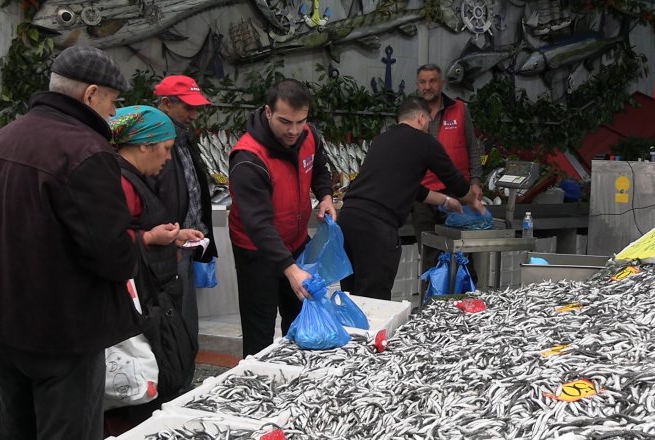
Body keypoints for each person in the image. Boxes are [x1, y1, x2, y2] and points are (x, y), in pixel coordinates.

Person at [0, 46, 140, 440]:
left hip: (6, 324)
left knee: (16, 428)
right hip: (64, 332)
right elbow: (112, 253)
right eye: (112, 101)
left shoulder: (0, 140)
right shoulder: (86, 151)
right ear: (91, 95)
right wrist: (136, 247)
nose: (113, 113)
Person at [104, 106, 203, 433]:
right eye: (165, 149)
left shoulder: (135, 177)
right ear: (144, 145)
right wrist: (149, 237)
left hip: (151, 296)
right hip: (136, 305)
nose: (169, 158)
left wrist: (173, 239)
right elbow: (108, 241)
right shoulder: (119, 181)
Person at [339, 98, 486, 300]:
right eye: (429, 123)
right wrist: (473, 201)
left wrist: (445, 201)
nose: (428, 128)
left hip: (347, 219)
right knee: (373, 298)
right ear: (421, 118)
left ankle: (350, 331)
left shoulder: (381, 140)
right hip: (376, 227)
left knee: (350, 294)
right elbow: (456, 183)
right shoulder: (424, 142)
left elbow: (412, 188)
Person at [228, 79, 336, 356]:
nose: (294, 130)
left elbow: (320, 169)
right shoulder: (249, 159)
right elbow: (258, 225)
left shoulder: (309, 136)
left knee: (301, 319)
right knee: (259, 331)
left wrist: (325, 196)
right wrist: (291, 270)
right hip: (257, 253)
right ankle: (256, 383)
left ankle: (296, 376)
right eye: (285, 121)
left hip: (296, 243)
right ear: (267, 112)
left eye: (301, 121)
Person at [152, 75, 218, 390]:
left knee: (186, 317)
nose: (194, 114)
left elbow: (194, 189)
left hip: (187, 243)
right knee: (171, 320)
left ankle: (183, 380)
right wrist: (168, 238)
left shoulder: (183, 138)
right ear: (166, 103)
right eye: (188, 107)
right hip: (168, 245)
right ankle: (172, 384)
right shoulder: (153, 141)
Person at [412, 64, 485, 277]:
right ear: (417, 85)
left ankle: (466, 301)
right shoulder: (411, 113)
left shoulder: (460, 109)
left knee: (463, 252)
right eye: (423, 82)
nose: (428, 86)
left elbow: (473, 145)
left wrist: (476, 181)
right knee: (429, 254)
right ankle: (432, 304)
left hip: (457, 192)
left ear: (441, 83)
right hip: (424, 195)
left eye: (433, 81)